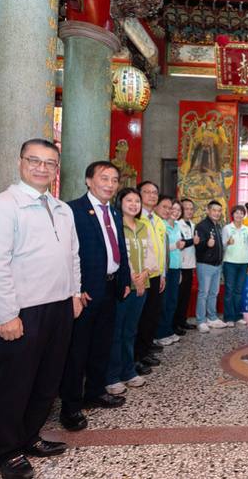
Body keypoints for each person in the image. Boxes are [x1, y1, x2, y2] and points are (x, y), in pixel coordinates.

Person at [0, 138, 81, 479]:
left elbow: (72, 256)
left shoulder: (62, 209)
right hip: (23, 311)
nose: (41, 168)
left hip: (59, 307)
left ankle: (29, 436)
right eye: (34, 160)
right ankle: (6, 452)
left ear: (56, 169)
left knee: (47, 380)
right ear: (20, 162)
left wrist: (75, 293)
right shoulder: (2, 207)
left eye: (49, 163)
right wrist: (6, 314)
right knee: (15, 384)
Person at [60, 160, 130, 432]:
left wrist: (124, 279)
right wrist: (76, 288)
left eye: (114, 180)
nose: (110, 184)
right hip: (86, 292)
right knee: (77, 350)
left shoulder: (114, 212)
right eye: (104, 178)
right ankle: (70, 406)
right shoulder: (73, 210)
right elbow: (67, 254)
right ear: (89, 181)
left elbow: (119, 249)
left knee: (102, 344)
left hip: (111, 288)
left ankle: (95, 392)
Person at [106, 188, 153, 396]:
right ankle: (112, 376)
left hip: (142, 286)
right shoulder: (115, 226)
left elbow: (151, 254)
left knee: (130, 331)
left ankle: (128, 371)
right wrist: (133, 276)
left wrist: (144, 274)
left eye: (137, 201)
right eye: (129, 200)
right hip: (123, 286)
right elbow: (117, 255)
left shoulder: (143, 226)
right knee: (116, 332)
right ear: (120, 202)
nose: (134, 204)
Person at [134, 181, 166, 369]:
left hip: (156, 275)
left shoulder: (158, 220)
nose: (152, 195)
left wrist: (162, 274)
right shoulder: (136, 218)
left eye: (155, 192)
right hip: (141, 276)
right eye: (147, 192)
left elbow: (160, 249)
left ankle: (145, 351)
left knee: (151, 315)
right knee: (140, 317)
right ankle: (136, 356)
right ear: (139, 194)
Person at [154, 197, 183, 345]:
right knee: (163, 303)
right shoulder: (162, 224)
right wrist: (175, 246)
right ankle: (160, 333)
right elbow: (162, 248)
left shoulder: (177, 225)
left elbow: (180, 250)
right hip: (166, 267)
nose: (175, 212)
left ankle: (168, 330)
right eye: (173, 209)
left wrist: (180, 270)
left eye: (178, 210)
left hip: (176, 267)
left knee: (172, 301)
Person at [194, 200, 226, 333]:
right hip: (205, 265)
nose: (217, 213)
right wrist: (206, 244)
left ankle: (212, 318)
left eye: (219, 211)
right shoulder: (201, 226)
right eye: (214, 210)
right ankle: (201, 321)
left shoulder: (217, 226)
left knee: (214, 293)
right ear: (208, 210)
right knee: (203, 293)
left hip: (217, 265)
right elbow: (197, 246)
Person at [222, 205, 248, 326]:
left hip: (243, 263)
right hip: (229, 262)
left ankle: (238, 316)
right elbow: (222, 245)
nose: (239, 215)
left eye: (241, 213)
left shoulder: (246, 229)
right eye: (236, 213)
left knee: (239, 291)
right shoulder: (227, 228)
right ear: (232, 215)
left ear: (243, 215)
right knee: (229, 290)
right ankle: (229, 317)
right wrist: (227, 243)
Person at [176, 199, 197, 332]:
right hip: (181, 265)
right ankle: (176, 324)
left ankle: (183, 321)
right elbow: (181, 243)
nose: (189, 211)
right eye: (186, 208)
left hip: (190, 265)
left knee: (186, 297)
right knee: (179, 296)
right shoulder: (177, 224)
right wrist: (193, 241)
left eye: (191, 209)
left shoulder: (193, 225)